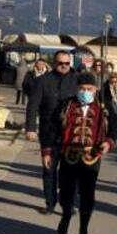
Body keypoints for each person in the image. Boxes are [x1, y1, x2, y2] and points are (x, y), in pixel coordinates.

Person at [47, 72, 113, 234]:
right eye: (82, 89)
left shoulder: (103, 107)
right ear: (77, 88)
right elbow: (52, 128)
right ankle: (66, 216)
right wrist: (48, 152)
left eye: (89, 89)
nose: (85, 92)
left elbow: (113, 130)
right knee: (66, 192)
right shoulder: (66, 104)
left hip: (91, 157)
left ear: (95, 89)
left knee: (87, 195)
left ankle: (83, 230)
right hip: (69, 155)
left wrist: (108, 143)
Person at [25, 50, 78, 213]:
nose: (64, 66)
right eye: (61, 63)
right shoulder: (42, 81)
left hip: (71, 134)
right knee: (49, 169)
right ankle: (50, 203)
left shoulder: (77, 80)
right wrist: (30, 128)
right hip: (49, 133)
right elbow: (32, 105)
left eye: (67, 63)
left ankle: (68, 203)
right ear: (54, 63)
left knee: (70, 172)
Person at [102, 71, 117, 144]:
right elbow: (103, 97)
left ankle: (114, 137)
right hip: (109, 106)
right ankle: (109, 137)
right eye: (112, 81)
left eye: (115, 81)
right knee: (109, 122)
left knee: (115, 122)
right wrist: (104, 107)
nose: (114, 83)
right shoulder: (105, 86)